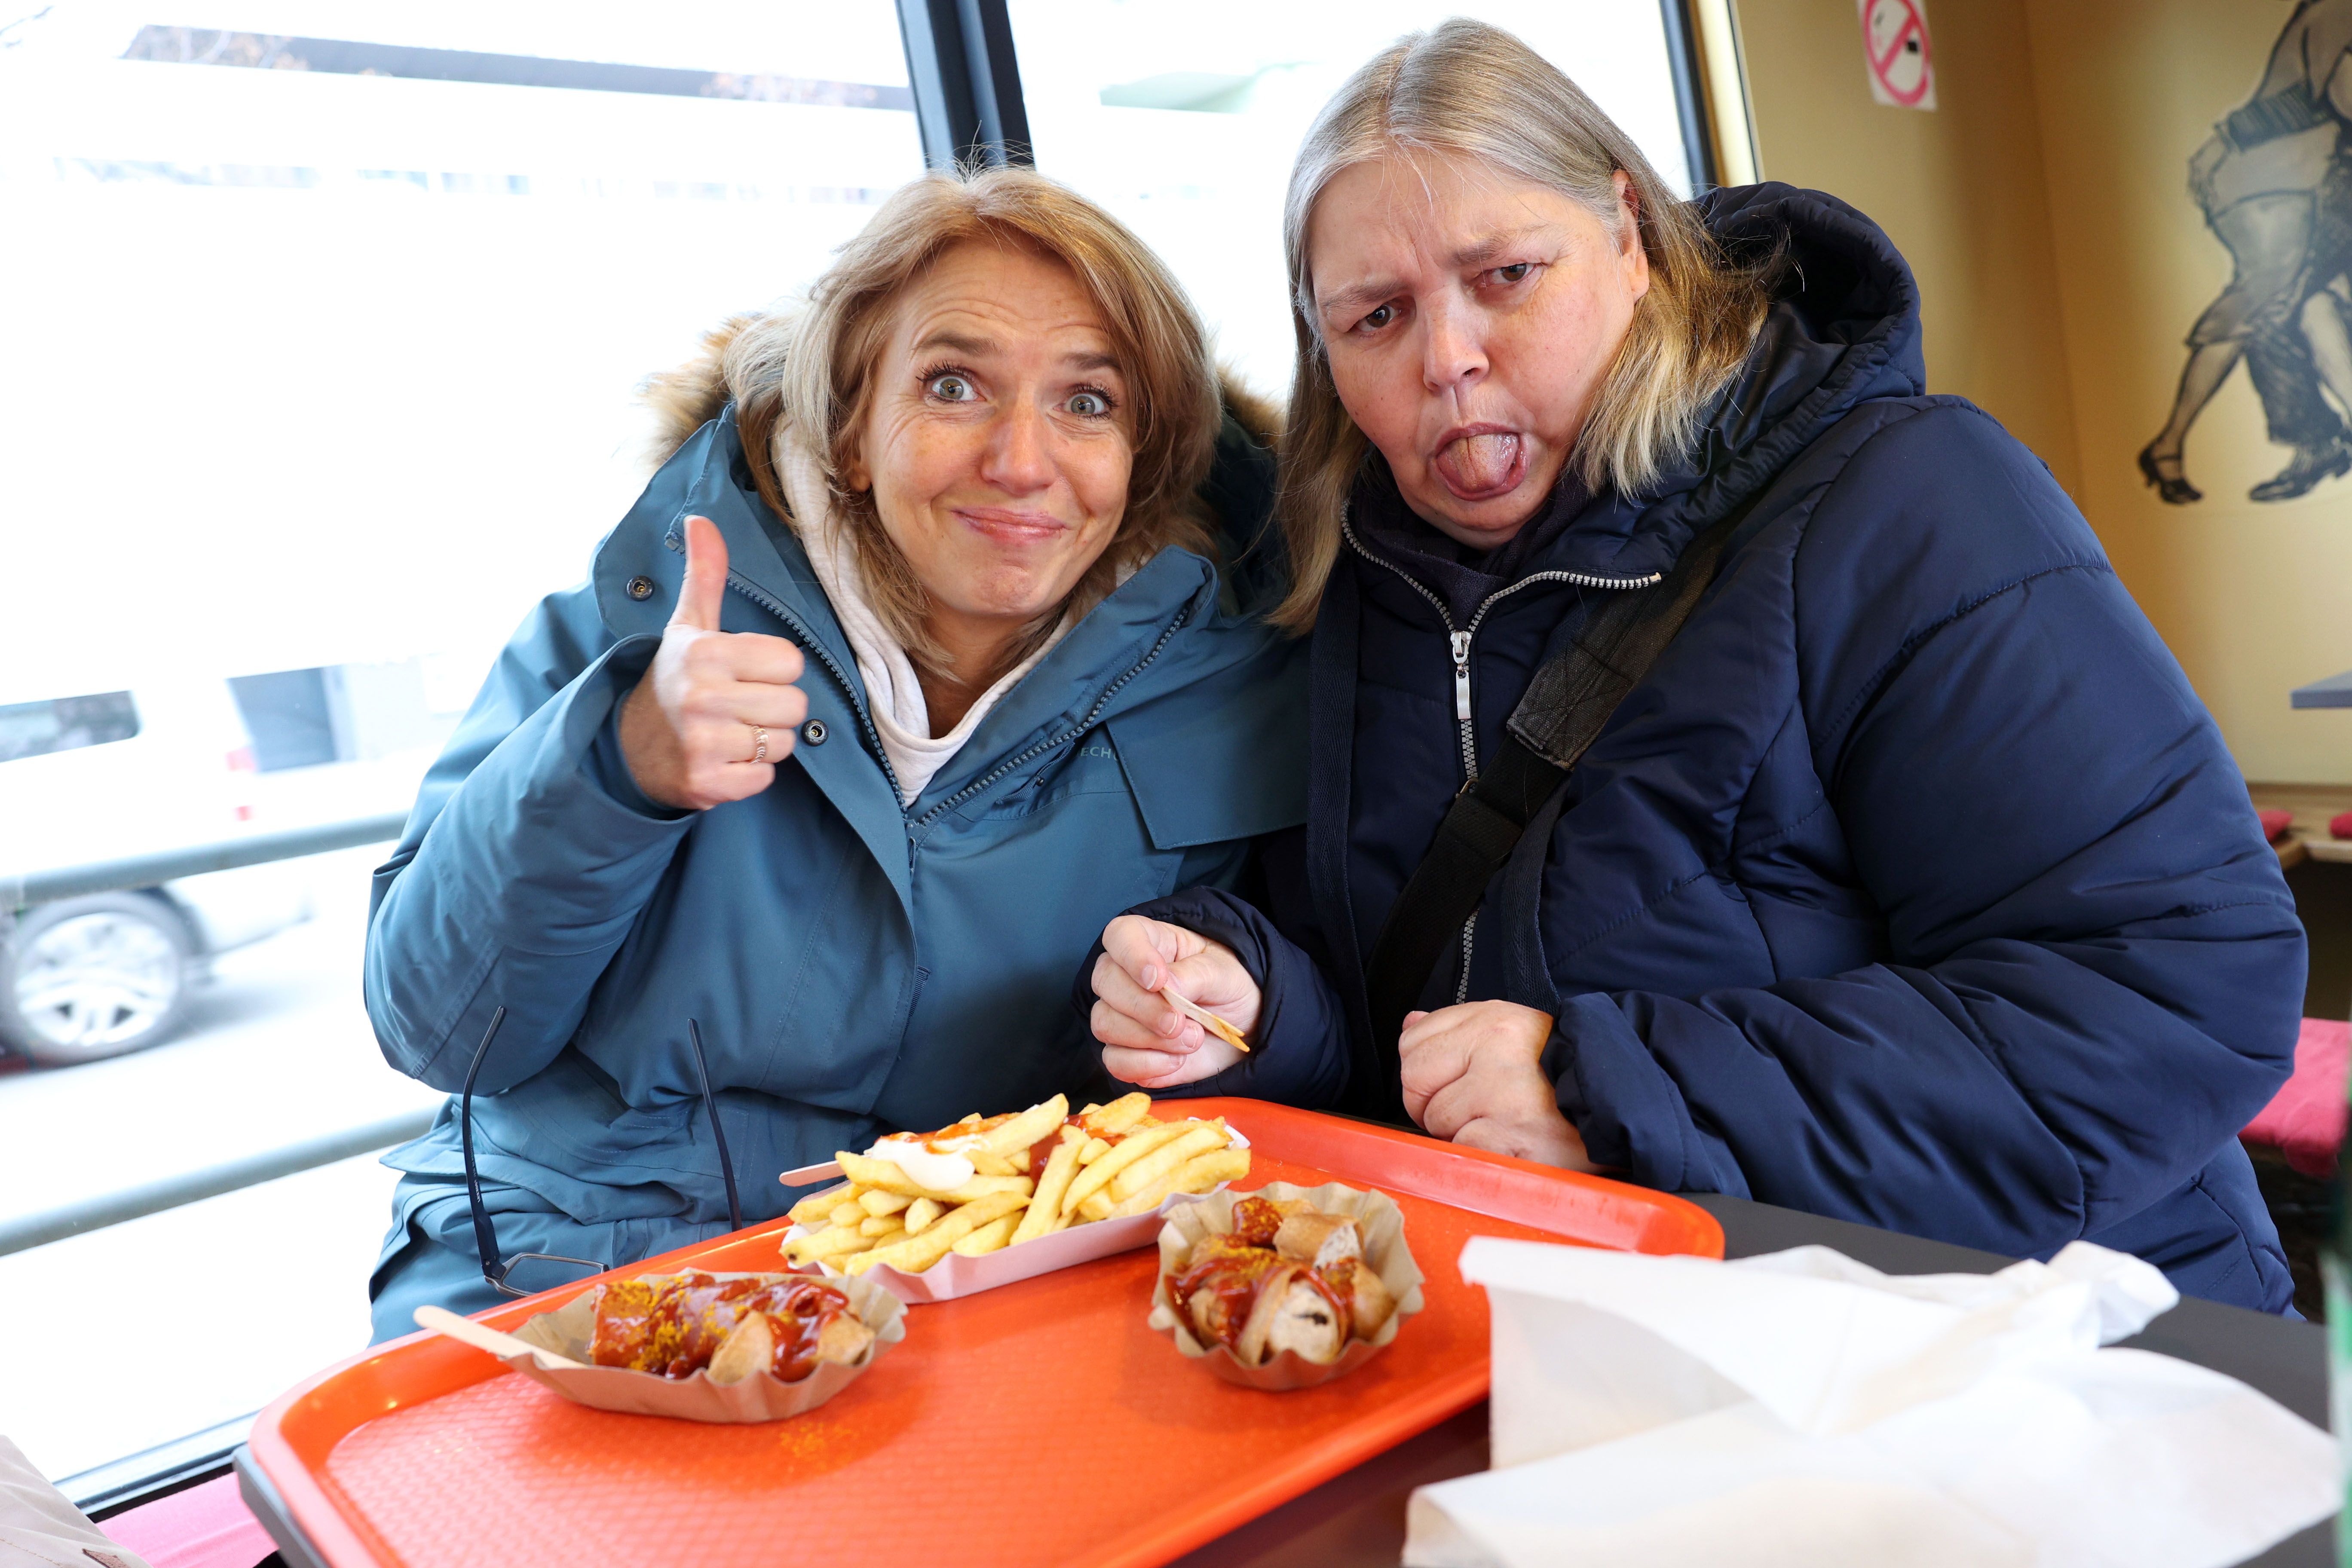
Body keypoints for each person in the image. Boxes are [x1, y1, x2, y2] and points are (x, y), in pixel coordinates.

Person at [1085, 21, 2306, 1311]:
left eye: (1505, 276)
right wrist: (1255, 1005)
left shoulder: (1911, 501)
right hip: (1611, 1359)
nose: (1445, 359)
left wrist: (1614, 1090)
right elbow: (1418, 1029)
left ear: (1631, 236)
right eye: (1376, 316)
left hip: (2039, 1352)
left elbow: (2172, 991)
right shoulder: (1353, 591)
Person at [362, 167, 1301, 1341]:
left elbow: (1273, 1053)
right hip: (573, 1273)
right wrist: (613, 771)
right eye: (952, 386)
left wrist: (1224, 1017)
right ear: (849, 431)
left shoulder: (1226, 693)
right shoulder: (630, 633)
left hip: (956, 1302)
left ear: (1143, 462)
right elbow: (439, 1029)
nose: (1022, 460)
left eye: (1087, 402)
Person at [2143, 0, 2352, 504]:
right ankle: (2170, 442)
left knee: (2306, 306)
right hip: (2277, 189)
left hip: (2290, 184)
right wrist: (2226, 140)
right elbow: (2316, 98)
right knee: (2258, 308)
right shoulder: (2337, 10)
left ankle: (2311, 441)